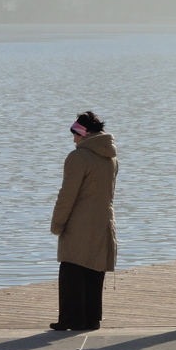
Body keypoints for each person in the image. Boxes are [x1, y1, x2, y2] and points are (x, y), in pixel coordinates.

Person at [50, 111, 118, 331]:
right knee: (94, 270)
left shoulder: (78, 157)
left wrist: (57, 223)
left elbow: (67, 194)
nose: (74, 140)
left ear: (84, 134)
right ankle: (91, 319)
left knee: (72, 270)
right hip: (104, 220)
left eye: (75, 135)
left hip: (79, 222)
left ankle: (71, 319)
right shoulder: (111, 157)